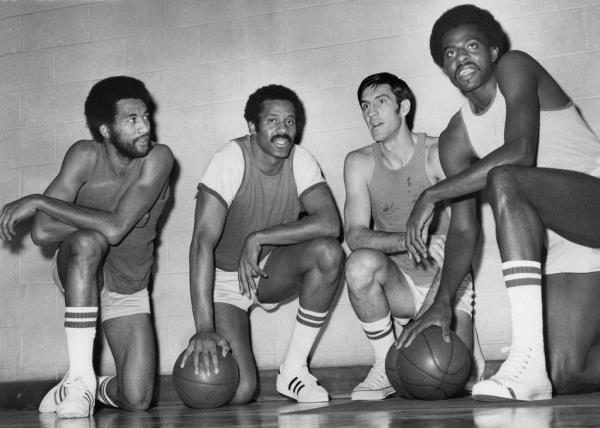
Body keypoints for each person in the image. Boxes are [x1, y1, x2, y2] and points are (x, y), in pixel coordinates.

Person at [400, 4, 600, 401]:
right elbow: (464, 230)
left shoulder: (515, 65)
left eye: (471, 45)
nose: (461, 58)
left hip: (592, 199)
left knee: (505, 178)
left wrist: (434, 191)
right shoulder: (455, 138)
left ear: (493, 51)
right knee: (566, 371)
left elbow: (520, 151)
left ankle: (525, 362)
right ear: (444, 69)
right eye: (450, 54)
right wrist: (441, 302)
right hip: (564, 241)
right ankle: (539, 371)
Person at [0, 76, 174, 418]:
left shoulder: (160, 158)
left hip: (129, 280)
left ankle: (88, 385)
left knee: (138, 398)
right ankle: (80, 378)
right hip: (83, 266)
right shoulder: (84, 155)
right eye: (132, 120)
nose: (144, 128)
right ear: (106, 131)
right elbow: (41, 232)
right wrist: (92, 219)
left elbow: (117, 227)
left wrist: (39, 199)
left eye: (145, 117)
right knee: (88, 240)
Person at [182, 84, 344, 404]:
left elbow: (330, 223)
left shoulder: (301, 160)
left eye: (290, 121)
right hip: (225, 281)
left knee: (328, 252)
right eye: (272, 121)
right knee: (239, 390)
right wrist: (203, 328)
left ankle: (294, 370)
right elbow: (201, 243)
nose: (283, 130)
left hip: (268, 267)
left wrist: (259, 237)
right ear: (252, 126)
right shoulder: (229, 159)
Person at [343, 72, 479, 401]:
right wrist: (411, 241)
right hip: (400, 283)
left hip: (448, 279)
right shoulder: (359, 163)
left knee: (454, 380)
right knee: (359, 265)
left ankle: (469, 347)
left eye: (380, 102)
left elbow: (467, 230)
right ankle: (383, 364)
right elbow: (355, 235)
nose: (370, 113)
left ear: (403, 107)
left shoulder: (435, 152)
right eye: (365, 106)